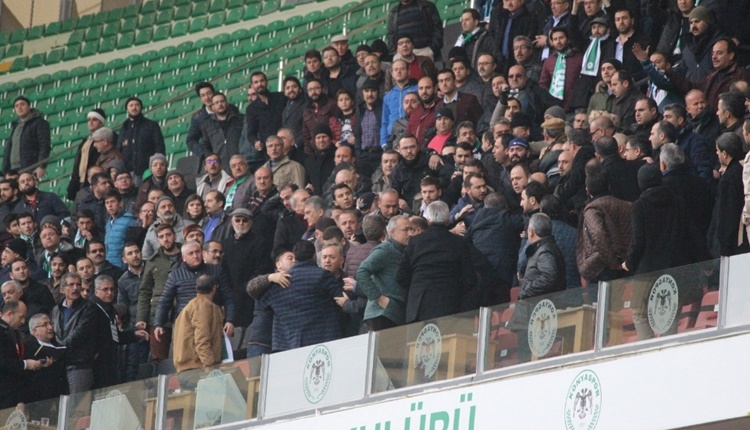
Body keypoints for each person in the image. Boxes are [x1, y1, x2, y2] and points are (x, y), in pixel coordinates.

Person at [396, 201, 476, 323]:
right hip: (449, 305)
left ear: (428, 221)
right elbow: (470, 278)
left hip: (418, 306)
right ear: (447, 221)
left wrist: (416, 287)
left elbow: (400, 276)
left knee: (417, 341)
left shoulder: (415, 242)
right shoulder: (459, 243)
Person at [153, 242, 237, 343]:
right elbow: (165, 301)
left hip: (212, 322)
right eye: (191, 253)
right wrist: (158, 324)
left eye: (197, 252)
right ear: (184, 257)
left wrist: (230, 320)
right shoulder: (175, 275)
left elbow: (229, 298)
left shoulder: (217, 271)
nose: (195, 256)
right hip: (186, 324)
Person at [220, 208, 273, 334]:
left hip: (250, 296)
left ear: (251, 223)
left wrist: (246, 288)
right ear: (232, 222)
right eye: (237, 220)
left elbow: (261, 269)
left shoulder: (260, 243)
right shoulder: (225, 244)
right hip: (230, 297)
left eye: (245, 220)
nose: (241, 223)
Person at [89, 275, 148, 388]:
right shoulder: (92, 308)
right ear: (96, 291)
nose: (110, 292)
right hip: (96, 362)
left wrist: (133, 334)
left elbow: (114, 336)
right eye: (105, 289)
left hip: (109, 361)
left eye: (112, 289)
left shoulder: (109, 309)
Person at [136, 224, 181, 364]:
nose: (165, 239)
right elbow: (144, 291)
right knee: (159, 358)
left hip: (183, 309)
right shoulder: (152, 261)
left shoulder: (186, 254)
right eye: (161, 237)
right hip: (157, 314)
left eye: (168, 235)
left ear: (174, 235)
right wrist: (141, 317)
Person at [576, 171, 632, 284]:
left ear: (587, 190)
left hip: (602, 266)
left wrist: (613, 262)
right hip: (627, 263)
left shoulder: (592, 209)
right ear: (609, 186)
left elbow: (598, 234)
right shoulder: (628, 205)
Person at [50, 273, 96, 393]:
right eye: (71, 285)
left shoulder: (88, 307)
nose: (75, 288)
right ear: (62, 289)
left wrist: (59, 349)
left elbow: (80, 332)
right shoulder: (56, 309)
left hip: (80, 363)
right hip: (60, 364)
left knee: (77, 405)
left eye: (78, 284)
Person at [1, 300, 52, 408]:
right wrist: (25, 364)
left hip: (12, 393)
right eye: (21, 317)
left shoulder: (15, 333)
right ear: (10, 314)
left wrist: (35, 364)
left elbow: (16, 361)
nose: (23, 321)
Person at [172, 274, 225, 374]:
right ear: (214, 289)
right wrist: (210, 368)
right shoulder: (204, 307)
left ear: (196, 288)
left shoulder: (188, 307)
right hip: (198, 369)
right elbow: (202, 341)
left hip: (185, 369)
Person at [712, 133, 749, 257]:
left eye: (718, 150)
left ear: (724, 154)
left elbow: (727, 215)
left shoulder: (729, 178)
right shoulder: (744, 168)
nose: (716, 154)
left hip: (736, 244)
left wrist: (722, 248)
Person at [22, 313, 68, 404]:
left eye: (51, 324)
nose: (50, 327)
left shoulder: (58, 346)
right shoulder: (28, 347)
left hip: (56, 394)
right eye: (45, 325)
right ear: (35, 331)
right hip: (35, 397)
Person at [116, 97, 165, 177]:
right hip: (127, 172)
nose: (134, 107)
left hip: (146, 171)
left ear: (141, 108)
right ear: (126, 110)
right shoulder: (124, 128)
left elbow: (159, 147)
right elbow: (119, 149)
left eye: (137, 105)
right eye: (131, 105)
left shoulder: (151, 125)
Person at [3, 96, 50, 179]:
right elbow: (9, 148)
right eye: (16, 106)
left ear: (29, 106)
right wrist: (5, 171)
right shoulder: (15, 126)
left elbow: (44, 145)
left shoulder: (40, 123)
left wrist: (41, 166)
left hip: (31, 168)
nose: (19, 107)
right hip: (13, 171)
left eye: (22, 104)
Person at [67, 108, 109, 200]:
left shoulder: (107, 138)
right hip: (81, 180)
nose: (91, 122)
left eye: (94, 120)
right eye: (89, 120)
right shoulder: (86, 140)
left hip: (95, 180)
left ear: (101, 122)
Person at [142, 196, 194, 260]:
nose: (167, 209)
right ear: (157, 213)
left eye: (170, 206)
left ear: (174, 209)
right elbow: (146, 256)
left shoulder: (189, 226)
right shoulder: (152, 230)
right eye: (163, 207)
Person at [201, 93, 244, 168]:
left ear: (227, 103)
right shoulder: (207, 125)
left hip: (240, 163)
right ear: (213, 107)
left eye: (222, 101)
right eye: (217, 103)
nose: (220, 104)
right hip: (221, 166)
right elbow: (206, 145)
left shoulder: (240, 119)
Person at [186, 82, 215, 159]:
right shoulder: (198, 118)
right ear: (200, 98)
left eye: (209, 93)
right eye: (203, 95)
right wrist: (204, 153)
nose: (207, 97)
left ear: (214, 93)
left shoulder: (228, 109)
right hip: (212, 157)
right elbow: (191, 140)